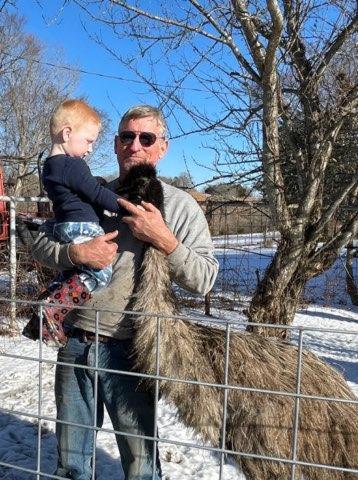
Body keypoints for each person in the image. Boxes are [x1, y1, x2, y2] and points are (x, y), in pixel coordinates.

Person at [32, 105, 219, 480]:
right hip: (77, 343)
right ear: (116, 145)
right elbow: (41, 243)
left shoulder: (181, 206)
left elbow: (204, 278)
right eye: (126, 137)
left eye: (146, 138)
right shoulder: (90, 192)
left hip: (133, 350)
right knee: (70, 463)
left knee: (140, 466)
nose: (135, 145)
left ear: (161, 148)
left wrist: (165, 239)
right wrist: (75, 252)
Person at [24, 99, 123, 345]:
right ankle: (52, 309)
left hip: (65, 225)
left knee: (74, 274)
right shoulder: (73, 165)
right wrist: (124, 207)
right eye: (88, 141)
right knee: (98, 274)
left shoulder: (50, 167)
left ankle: (43, 312)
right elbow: (96, 193)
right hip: (82, 225)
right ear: (67, 133)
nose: (90, 149)